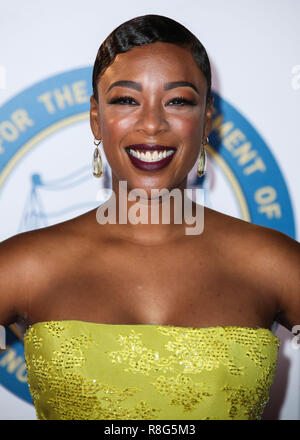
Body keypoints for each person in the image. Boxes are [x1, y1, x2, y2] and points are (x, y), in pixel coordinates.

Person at [0, 14, 299, 421]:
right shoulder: (23, 265)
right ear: (96, 118)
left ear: (206, 119)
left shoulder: (273, 263)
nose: (153, 124)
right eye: (126, 100)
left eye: (178, 101)